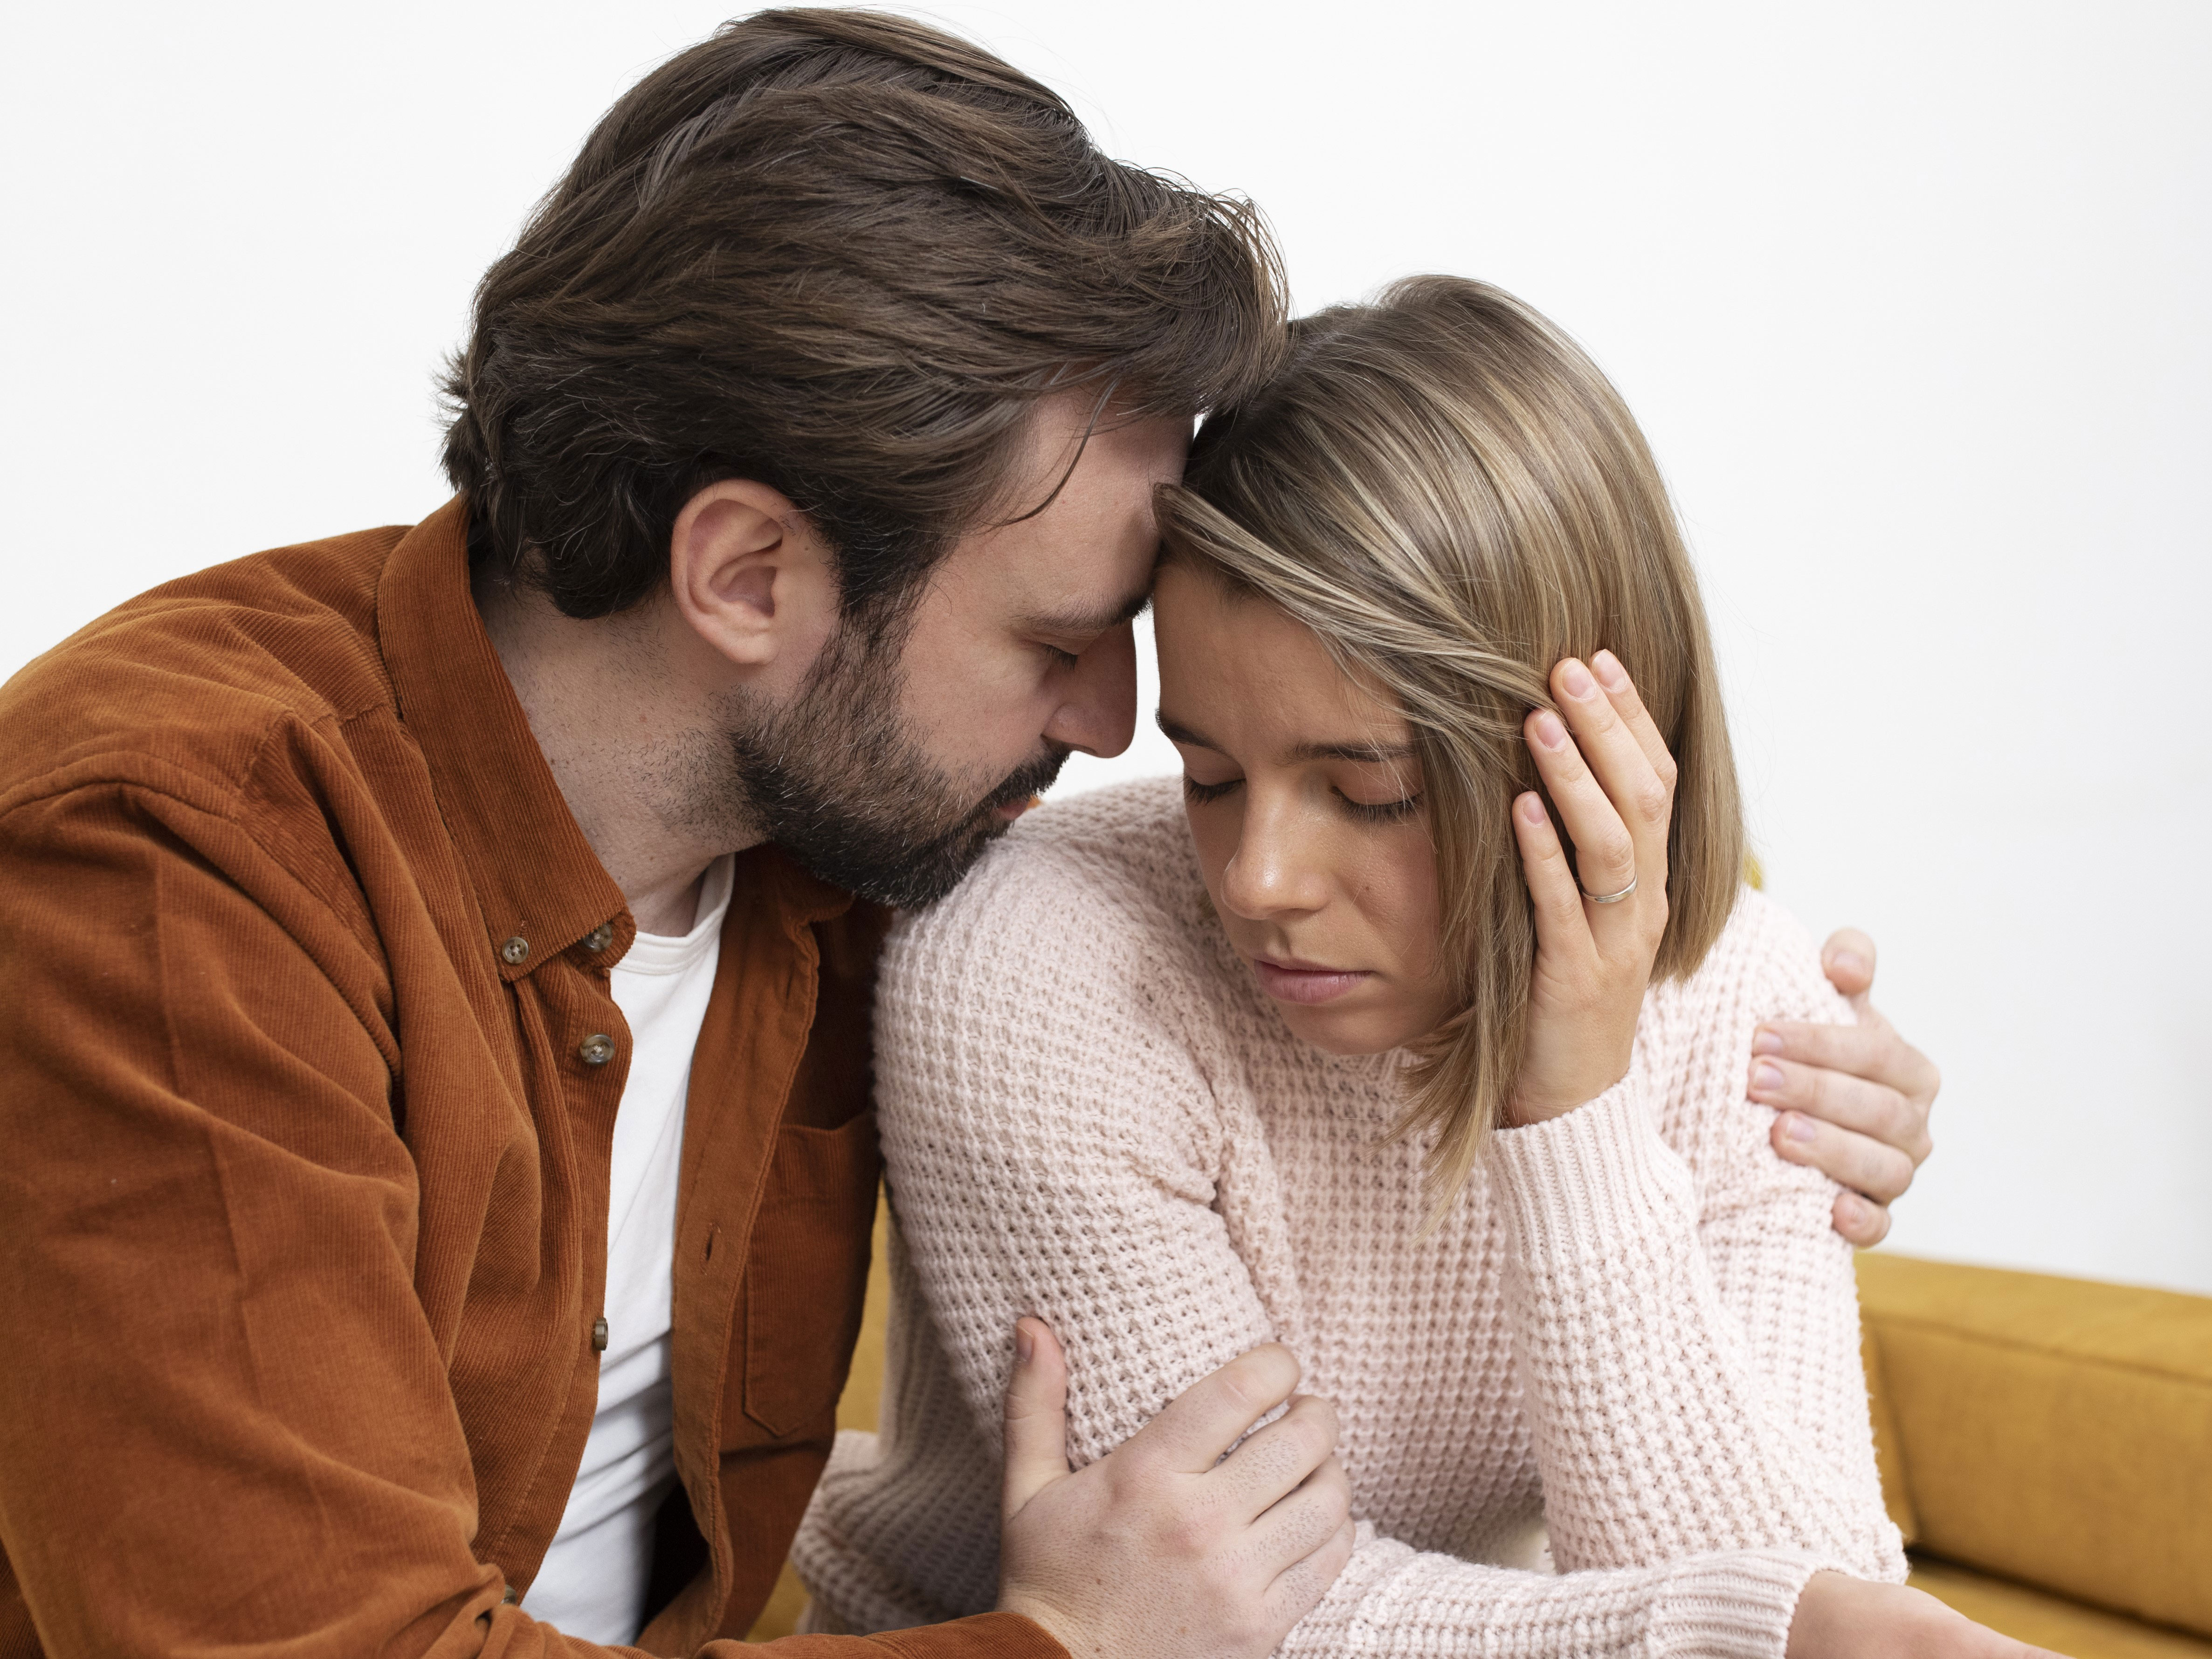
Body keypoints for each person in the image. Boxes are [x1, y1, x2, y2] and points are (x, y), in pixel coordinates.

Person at [0, 13, 1935, 1659]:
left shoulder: (842, 835)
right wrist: (1057, 1643)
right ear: (749, 572)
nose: (1104, 728)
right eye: (1052, 644)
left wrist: (1684, 1056)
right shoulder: (164, 870)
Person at [792, 279, 2032, 1658]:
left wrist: (1575, 1107)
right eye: (1206, 773)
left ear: (1579, 753)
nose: (1258, 879)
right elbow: (1222, 1615)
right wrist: (1772, 1632)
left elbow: (1806, 1597)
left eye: (1366, 791)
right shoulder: (1035, 963)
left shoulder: (1747, 1000)